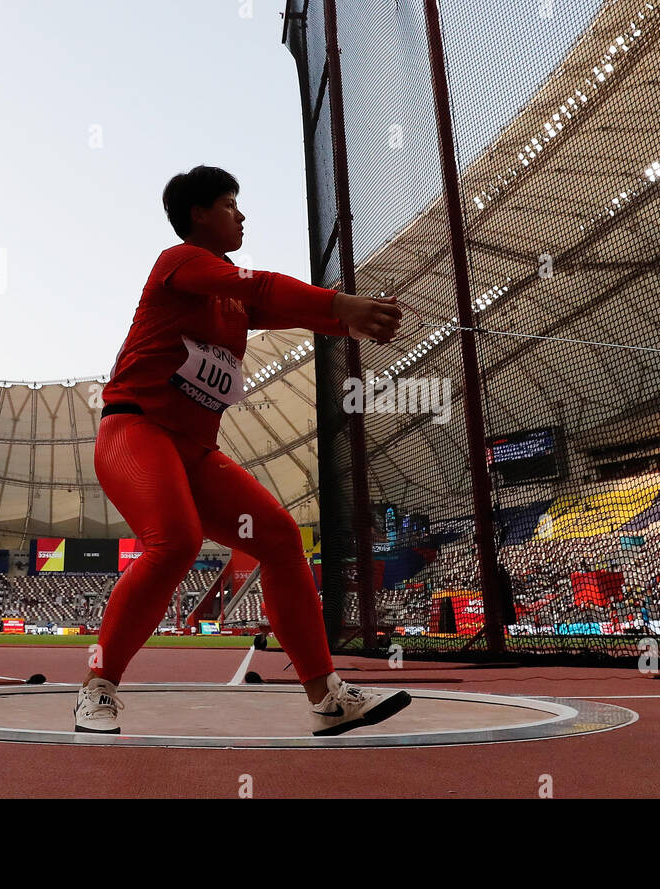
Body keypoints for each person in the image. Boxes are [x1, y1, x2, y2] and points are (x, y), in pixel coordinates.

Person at [77, 165, 411, 735]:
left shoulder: (230, 301)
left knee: (280, 540)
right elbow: (260, 287)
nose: (242, 215)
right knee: (176, 542)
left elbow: (276, 310)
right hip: (136, 432)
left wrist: (342, 324)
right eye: (231, 204)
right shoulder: (178, 262)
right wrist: (341, 305)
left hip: (194, 450)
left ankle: (326, 697)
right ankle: (98, 687)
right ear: (199, 215)